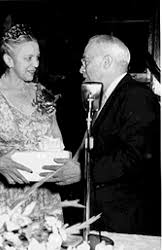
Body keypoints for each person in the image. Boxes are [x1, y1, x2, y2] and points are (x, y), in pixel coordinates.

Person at [42, 34, 161, 235]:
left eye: (85, 61)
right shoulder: (106, 96)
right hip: (103, 216)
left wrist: (83, 172)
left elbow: (135, 157)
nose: (81, 69)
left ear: (107, 62)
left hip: (124, 220)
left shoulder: (137, 96)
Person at [0, 24, 65, 220]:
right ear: (8, 60)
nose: (35, 64)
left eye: (37, 57)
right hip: (1, 192)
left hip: (42, 192)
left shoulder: (43, 92)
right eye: (28, 58)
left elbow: (56, 138)